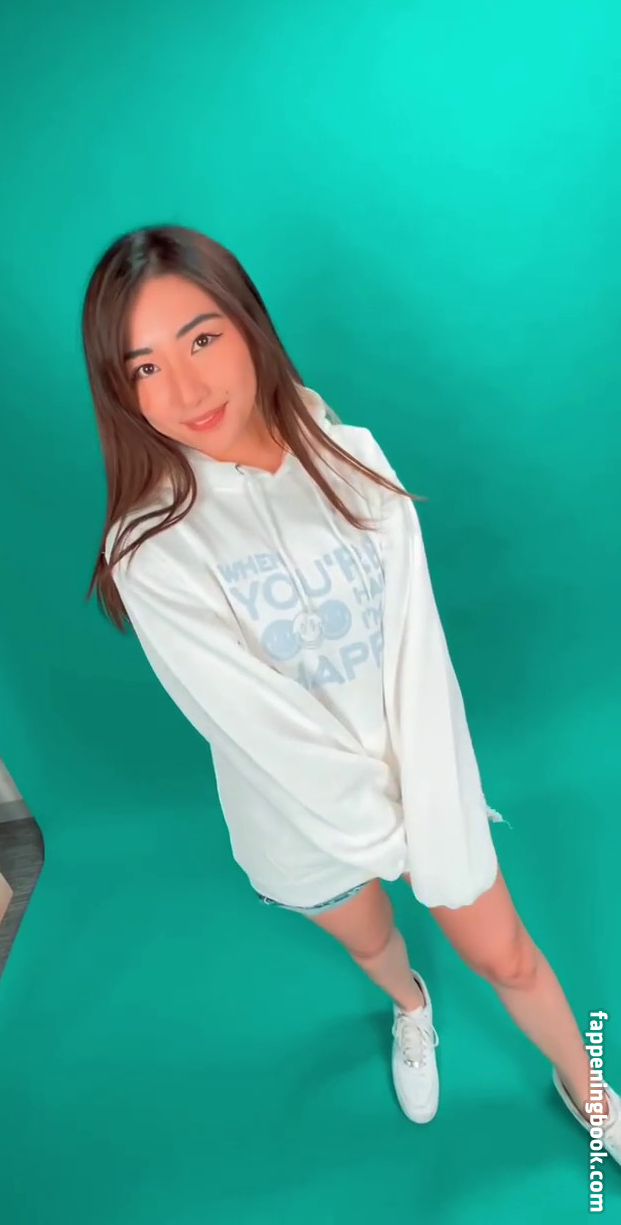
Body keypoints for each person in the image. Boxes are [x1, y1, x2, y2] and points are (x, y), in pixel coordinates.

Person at [82, 223, 618, 1158]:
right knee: (373, 943)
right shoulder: (150, 547)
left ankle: (592, 1091)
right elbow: (257, 728)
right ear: (121, 391)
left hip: (424, 779)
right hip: (294, 816)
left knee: (508, 954)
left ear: (249, 325)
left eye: (202, 339)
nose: (187, 390)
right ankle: (411, 1007)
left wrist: (432, 820)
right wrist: (388, 843)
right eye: (147, 368)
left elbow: (418, 650)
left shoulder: (351, 454)